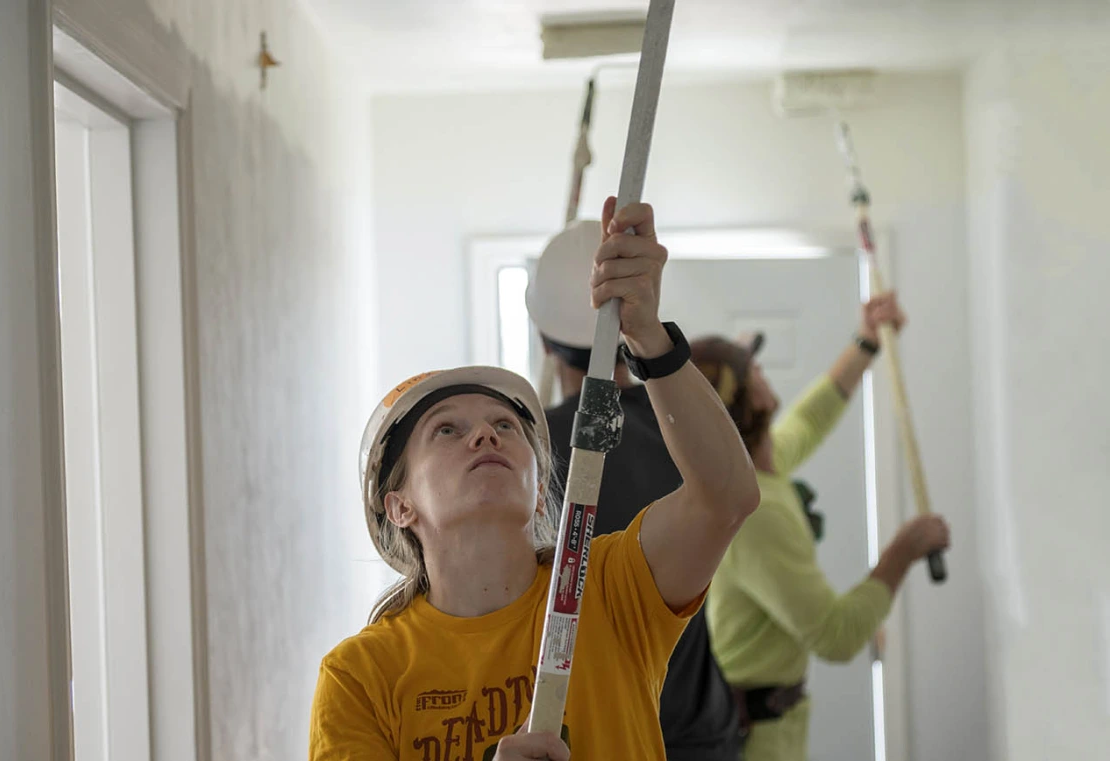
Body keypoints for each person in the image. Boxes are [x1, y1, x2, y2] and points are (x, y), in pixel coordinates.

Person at [309, 198, 760, 761]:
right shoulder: (360, 676)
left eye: (504, 425)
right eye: (447, 431)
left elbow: (726, 499)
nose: (486, 436)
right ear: (398, 505)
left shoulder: (612, 593)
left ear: (538, 480)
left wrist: (647, 335)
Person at [695, 297, 952, 761]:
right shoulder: (755, 512)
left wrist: (865, 344)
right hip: (755, 741)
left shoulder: (755, 471)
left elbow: (808, 422)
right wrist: (904, 550)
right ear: (743, 399)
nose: (761, 370)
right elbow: (836, 636)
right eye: (751, 369)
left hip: (770, 724)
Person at [525, 218, 745, 761]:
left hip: (585, 735)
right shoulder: (685, 432)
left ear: (543, 338)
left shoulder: (523, 450)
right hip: (694, 731)